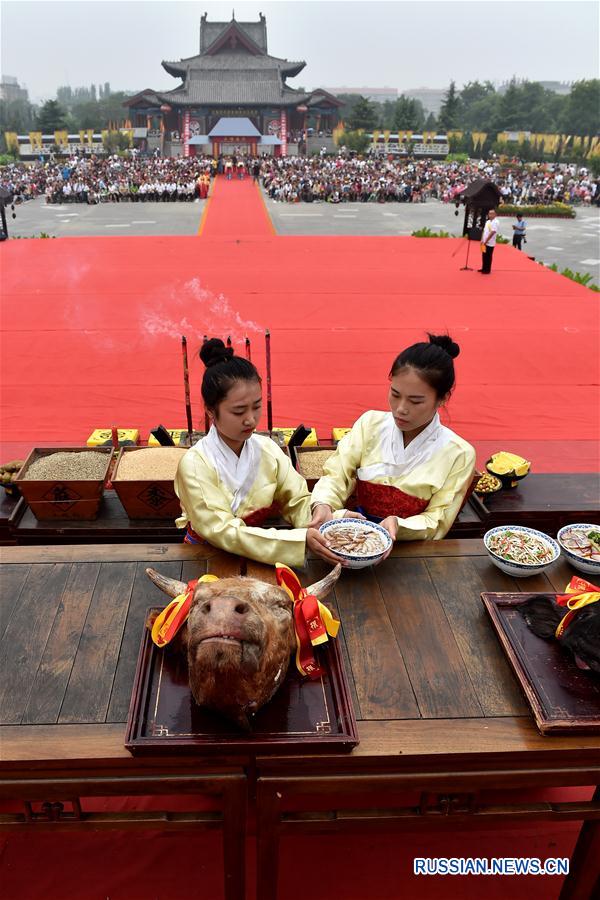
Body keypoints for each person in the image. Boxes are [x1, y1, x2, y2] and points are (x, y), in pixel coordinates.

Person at [174, 339, 342, 568]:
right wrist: (296, 541)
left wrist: (327, 520)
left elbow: (297, 500)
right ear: (210, 410)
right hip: (207, 559)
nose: (251, 419)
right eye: (239, 411)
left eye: (257, 406)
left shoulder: (267, 449)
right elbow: (220, 529)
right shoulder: (194, 464)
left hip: (261, 555)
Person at [309, 334, 476, 545]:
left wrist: (400, 526)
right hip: (352, 539)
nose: (401, 409)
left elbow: (438, 520)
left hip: (412, 551)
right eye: (395, 394)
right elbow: (337, 474)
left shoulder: (459, 454)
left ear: (442, 398)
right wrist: (323, 503)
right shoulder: (370, 424)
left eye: (415, 401)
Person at [479, 209, 498, 274]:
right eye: (489, 213)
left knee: (488, 256)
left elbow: (493, 232)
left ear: (495, 215)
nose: (490, 215)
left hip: (490, 243)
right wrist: (482, 239)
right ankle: (483, 268)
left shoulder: (496, 222)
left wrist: (486, 240)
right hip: (484, 242)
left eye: (492, 213)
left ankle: (487, 270)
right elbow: (484, 231)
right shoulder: (488, 222)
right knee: (484, 255)